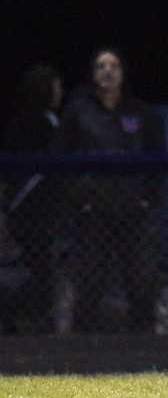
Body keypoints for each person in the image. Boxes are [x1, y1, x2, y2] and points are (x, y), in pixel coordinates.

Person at [54, 47, 166, 334]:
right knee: (89, 284)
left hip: (134, 213)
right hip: (92, 215)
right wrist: (81, 199)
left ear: (122, 73)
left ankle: (144, 349)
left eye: (114, 65)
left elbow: (159, 160)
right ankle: (84, 353)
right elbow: (60, 160)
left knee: (142, 282)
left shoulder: (141, 113)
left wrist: (147, 200)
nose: (107, 71)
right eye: (101, 66)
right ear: (93, 74)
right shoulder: (77, 113)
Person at [1, 63, 66, 333]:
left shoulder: (17, 123)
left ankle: (21, 320)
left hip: (21, 210)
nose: (60, 91)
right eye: (56, 85)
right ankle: (19, 318)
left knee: (36, 267)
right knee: (41, 269)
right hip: (36, 211)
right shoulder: (46, 123)